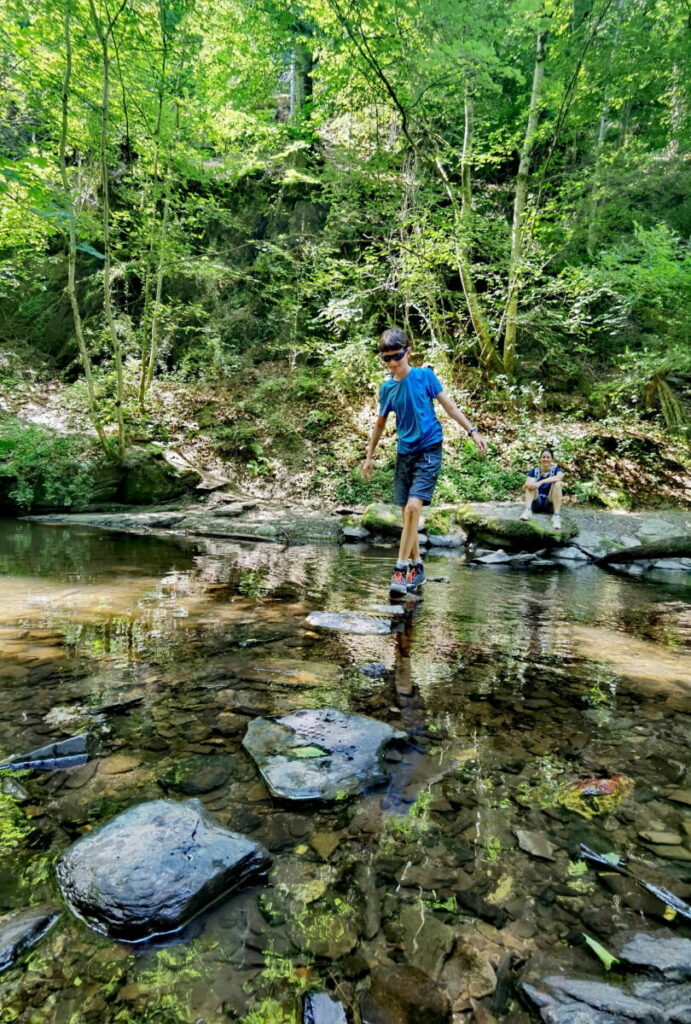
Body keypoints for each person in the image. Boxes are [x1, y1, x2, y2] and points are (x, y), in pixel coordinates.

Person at [362, 328, 488, 596]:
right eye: (386, 359)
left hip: (429, 448)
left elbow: (449, 407)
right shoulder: (387, 389)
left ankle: (400, 568)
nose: (393, 363)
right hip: (404, 453)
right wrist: (369, 456)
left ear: (408, 352)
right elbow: (380, 423)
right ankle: (417, 567)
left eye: (396, 356)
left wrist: (472, 431)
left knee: (412, 508)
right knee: (407, 514)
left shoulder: (425, 376)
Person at [519, 448, 563, 529]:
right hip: (536, 503)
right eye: (543, 457)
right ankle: (527, 510)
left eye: (548, 457)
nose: (545, 459)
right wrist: (530, 484)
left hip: (549, 504)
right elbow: (525, 486)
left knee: (558, 483)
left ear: (552, 459)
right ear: (540, 459)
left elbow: (559, 477)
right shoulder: (534, 471)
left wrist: (541, 482)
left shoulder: (557, 470)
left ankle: (556, 516)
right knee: (531, 482)